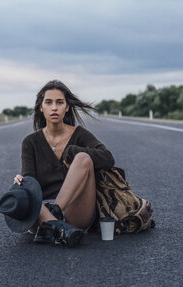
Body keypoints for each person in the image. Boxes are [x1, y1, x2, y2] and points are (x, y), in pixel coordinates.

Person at [13, 80, 115, 247]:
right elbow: (30, 180)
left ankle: (54, 219)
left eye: (59, 102)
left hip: (76, 209)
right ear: (41, 107)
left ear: (67, 107)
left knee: (83, 158)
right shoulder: (30, 142)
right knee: (24, 190)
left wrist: (73, 152)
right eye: (49, 102)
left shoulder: (80, 135)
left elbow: (108, 158)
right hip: (41, 211)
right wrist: (22, 181)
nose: (54, 107)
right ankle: (61, 228)